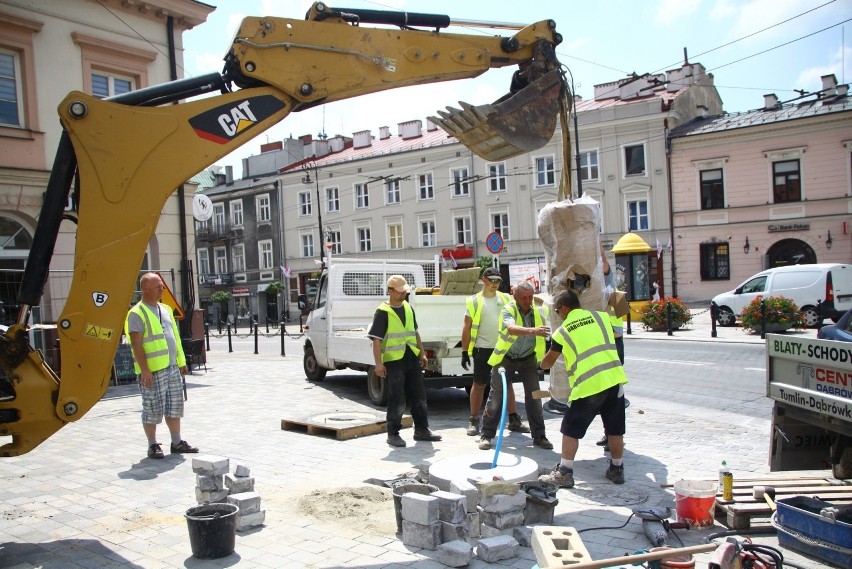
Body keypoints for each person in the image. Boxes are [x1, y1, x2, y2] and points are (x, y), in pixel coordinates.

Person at [538, 289, 628, 488]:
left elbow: (548, 362)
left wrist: (540, 363)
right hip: (614, 379)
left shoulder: (562, 331)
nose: (557, 315)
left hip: (589, 385)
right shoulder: (600, 317)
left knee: (570, 429)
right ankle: (617, 469)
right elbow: (616, 337)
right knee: (615, 429)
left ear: (565, 308)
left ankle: (564, 473)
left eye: (557, 311)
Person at [125, 273, 198, 460]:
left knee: (174, 406)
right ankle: (152, 445)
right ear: (145, 288)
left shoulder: (165, 309)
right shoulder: (136, 313)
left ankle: (177, 442)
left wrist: (181, 362)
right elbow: (136, 344)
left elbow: (175, 338)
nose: (162, 288)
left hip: (172, 367)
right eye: (158, 286)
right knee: (152, 408)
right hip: (153, 371)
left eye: (162, 286)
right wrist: (144, 370)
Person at [369, 275, 442, 448]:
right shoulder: (382, 312)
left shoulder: (408, 307)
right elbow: (376, 340)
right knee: (397, 398)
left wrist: (422, 354)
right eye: (400, 292)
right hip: (394, 361)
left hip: (411, 357)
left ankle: (422, 430)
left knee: (419, 395)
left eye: (405, 291)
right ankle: (393, 433)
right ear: (390, 291)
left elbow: (415, 332)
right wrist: (378, 364)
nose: (403, 294)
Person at [478, 281, 553, 450]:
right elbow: (511, 329)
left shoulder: (538, 309)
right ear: (516, 297)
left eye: (530, 297)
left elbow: (554, 314)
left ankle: (540, 435)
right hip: (506, 357)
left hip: (528, 358)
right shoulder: (508, 309)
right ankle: (487, 434)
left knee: (535, 396)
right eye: (524, 297)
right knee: (496, 396)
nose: (528, 300)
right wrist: (533, 330)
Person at [460, 267, 528, 437]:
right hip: (482, 349)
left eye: (498, 280)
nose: (496, 283)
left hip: (503, 348)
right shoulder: (475, 301)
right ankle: (474, 420)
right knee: (479, 384)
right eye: (492, 280)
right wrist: (464, 351)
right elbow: (466, 327)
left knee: (507, 384)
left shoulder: (505, 298)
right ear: (484, 279)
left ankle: (513, 419)